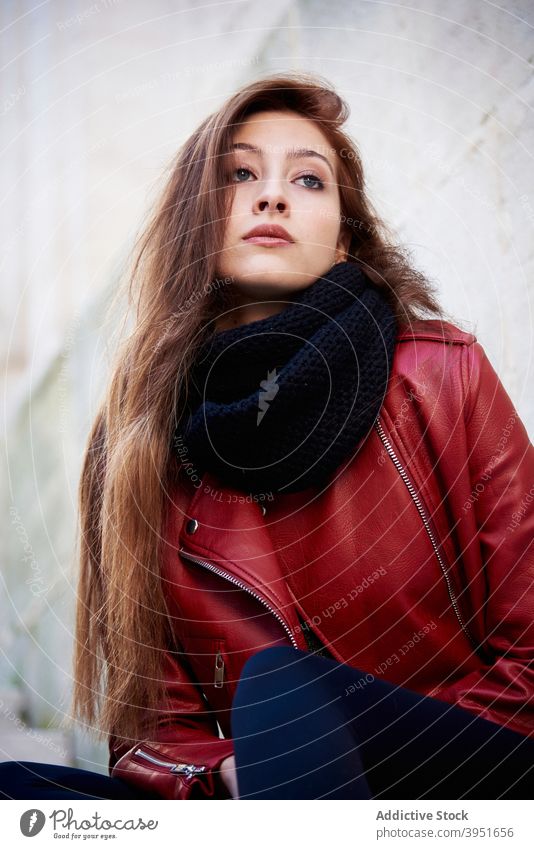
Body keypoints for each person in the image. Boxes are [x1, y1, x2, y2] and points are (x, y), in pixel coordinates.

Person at [1, 72, 533, 801]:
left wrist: (342, 761)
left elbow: (528, 663)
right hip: (262, 799)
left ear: (344, 240)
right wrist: (224, 772)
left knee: (282, 695)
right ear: (196, 219)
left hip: (465, 782)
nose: (273, 195)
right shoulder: (136, 445)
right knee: (19, 791)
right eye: (240, 173)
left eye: (309, 180)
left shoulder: (445, 374)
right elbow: (157, 729)